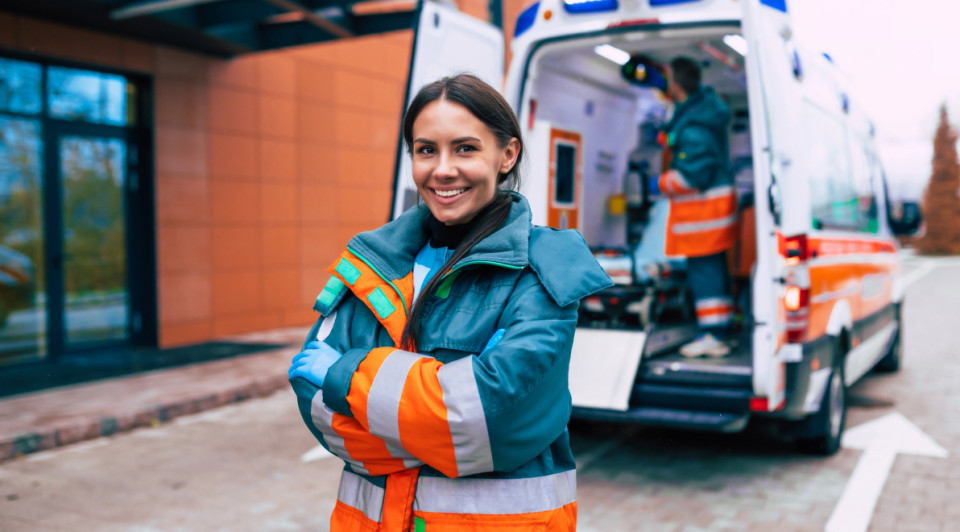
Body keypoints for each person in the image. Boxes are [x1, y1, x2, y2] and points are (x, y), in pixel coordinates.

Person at [288, 73, 612, 531]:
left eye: (465, 148)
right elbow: (313, 404)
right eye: (426, 150)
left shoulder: (541, 270)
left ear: (507, 155)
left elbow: (495, 420)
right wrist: (439, 414)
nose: (442, 169)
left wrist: (346, 374)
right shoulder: (372, 262)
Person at [656, 57, 738, 357]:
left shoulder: (694, 128)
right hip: (708, 215)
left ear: (676, 84)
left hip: (706, 215)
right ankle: (720, 331)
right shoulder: (697, 117)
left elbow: (694, 175)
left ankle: (714, 335)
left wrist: (661, 183)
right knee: (711, 272)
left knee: (706, 274)